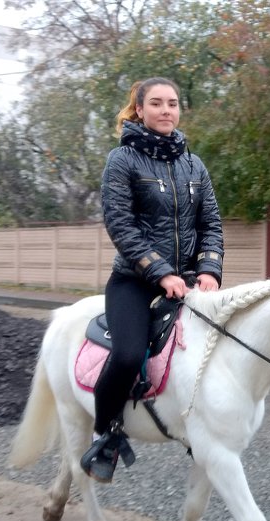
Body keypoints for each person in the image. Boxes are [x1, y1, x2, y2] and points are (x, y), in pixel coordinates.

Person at [81, 77, 225, 483]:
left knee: (220, 354)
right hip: (134, 282)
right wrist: (160, 273)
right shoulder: (122, 160)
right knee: (127, 356)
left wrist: (210, 269)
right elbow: (121, 224)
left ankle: (203, 427)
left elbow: (211, 222)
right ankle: (105, 433)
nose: (166, 110)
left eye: (173, 104)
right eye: (157, 103)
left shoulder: (194, 165)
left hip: (192, 284)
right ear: (139, 110)